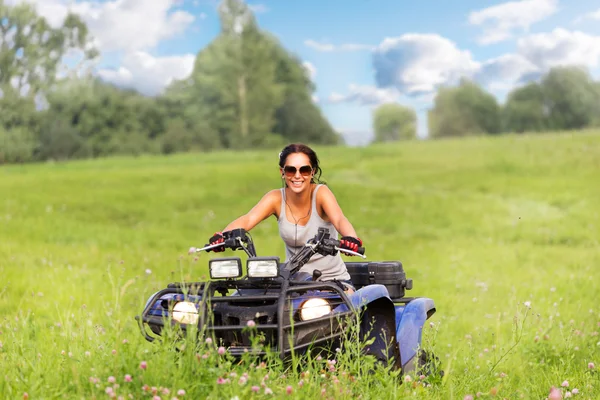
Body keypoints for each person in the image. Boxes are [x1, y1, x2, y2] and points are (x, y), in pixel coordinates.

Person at [207, 143, 363, 289]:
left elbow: (339, 219)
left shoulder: (321, 193)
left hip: (332, 283)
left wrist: (351, 239)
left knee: (333, 312)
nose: (297, 176)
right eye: (290, 170)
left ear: (312, 172)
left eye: (304, 170)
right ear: (282, 172)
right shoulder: (275, 198)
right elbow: (248, 219)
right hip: (293, 283)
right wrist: (222, 236)